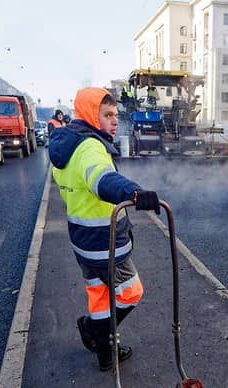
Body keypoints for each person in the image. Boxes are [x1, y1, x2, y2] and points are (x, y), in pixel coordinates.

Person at [48, 87, 161, 371]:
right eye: (107, 114)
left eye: (115, 115)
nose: (114, 121)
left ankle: (104, 351)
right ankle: (98, 335)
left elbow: (74, 190)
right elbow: (101, 179)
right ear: (90, 115)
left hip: (82, 241)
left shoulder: (68, 148)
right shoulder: (90, 147)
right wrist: (135, 193)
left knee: (100, 297)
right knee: (130, 292)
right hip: (104, 243)